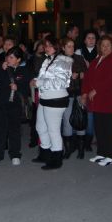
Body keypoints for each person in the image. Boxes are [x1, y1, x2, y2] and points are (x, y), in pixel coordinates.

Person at [81, 35, 112, 166]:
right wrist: (84, 93)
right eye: (103, 45)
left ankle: (111, 156)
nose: (105, 48)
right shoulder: (96, 60)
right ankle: (101, 153)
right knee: (99, 128)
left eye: (108, 45)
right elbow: (87, 78)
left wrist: (96, 89)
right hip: (97, 102)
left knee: (110, 129)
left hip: (109, 101)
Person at [32, 37, 72, 170]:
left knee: (53, 130)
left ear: (56, 47)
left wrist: (38, 83)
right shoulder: (49, 59)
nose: (46, 48)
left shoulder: (62, 61)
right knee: (40, 127)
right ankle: (45, 154)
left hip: (56, 99)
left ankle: (56, 159)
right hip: (45, 98)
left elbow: (60, 83)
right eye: (45, 45)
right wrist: (37, 80)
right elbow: (45, 77)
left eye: (49, 45)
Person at [0, 47, 31, 166]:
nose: (8, 58)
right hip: (0, 105)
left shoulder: (24, 70)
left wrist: (18, 87)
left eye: (12, 57)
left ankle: (15, 154)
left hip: (15, 105)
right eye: (8, 56)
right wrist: (0, 69)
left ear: (18, 60)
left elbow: (26, 89)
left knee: (14, 131)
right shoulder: (0, 67)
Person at [61, 37, 88, 159]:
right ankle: (68, 149)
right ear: (63, 48)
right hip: (66, 95)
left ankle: (81, 150)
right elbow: (57, 80)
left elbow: (87, 77)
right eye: (68, 46)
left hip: (79, 94)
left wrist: (83, 76)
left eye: (73, 46)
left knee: (80, 120)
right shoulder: (59, 60)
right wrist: (69, 77)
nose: (71, 48)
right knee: (67, 121)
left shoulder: (79, 58)